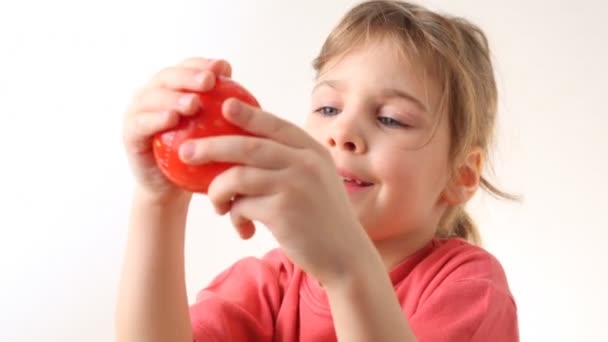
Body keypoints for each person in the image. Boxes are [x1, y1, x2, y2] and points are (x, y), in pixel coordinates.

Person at [116, 1, 519, 341]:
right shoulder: (270, 282)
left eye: (392, 119)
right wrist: (158, 199)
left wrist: (346, 269)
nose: (342, 131)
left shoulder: (469, 288)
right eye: (328, 108)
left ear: (460, 175)